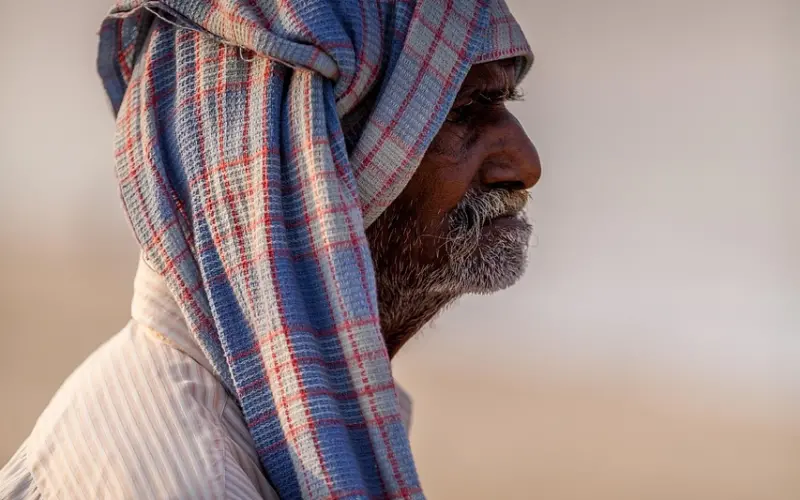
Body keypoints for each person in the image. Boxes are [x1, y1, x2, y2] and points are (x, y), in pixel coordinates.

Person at [0, 0, 540, 498]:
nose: (525, 165)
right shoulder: (200, 481)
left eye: (502, 104)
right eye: (464, 111)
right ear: (298, 159)